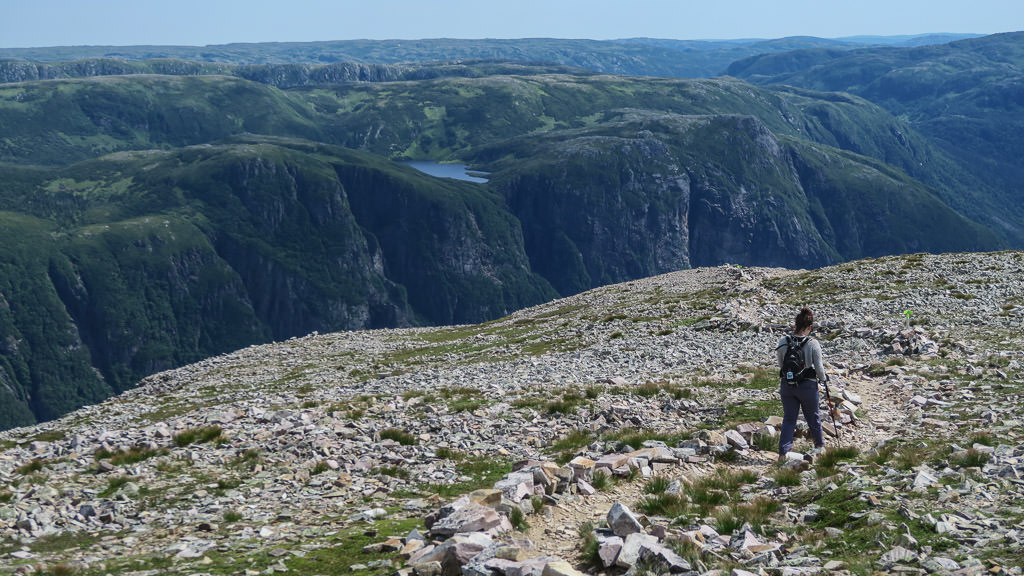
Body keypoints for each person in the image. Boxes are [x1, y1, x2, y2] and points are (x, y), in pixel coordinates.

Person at [775, 307, 827, 460]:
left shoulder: (784, 341)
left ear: (795, 325)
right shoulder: (812, 343)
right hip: (808, 386)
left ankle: (783, 453)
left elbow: (780, 363)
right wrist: (823, 379)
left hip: (787, 385)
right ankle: (819, 447)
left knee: (789, 419)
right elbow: (819, 367)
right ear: (809, 327)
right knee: (813, 417)